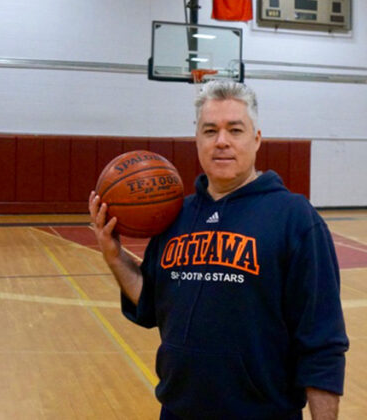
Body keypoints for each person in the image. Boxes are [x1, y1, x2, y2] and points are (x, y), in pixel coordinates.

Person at [89, 80, 348, 420]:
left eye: (235, 130)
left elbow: (322, 341)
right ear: (197, 140)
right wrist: (115, 256)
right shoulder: (176, 217)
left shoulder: (294, 218)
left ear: (256, 139)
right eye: (210, 130)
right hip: (177, 411)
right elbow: (150, 305)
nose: (221, 141)